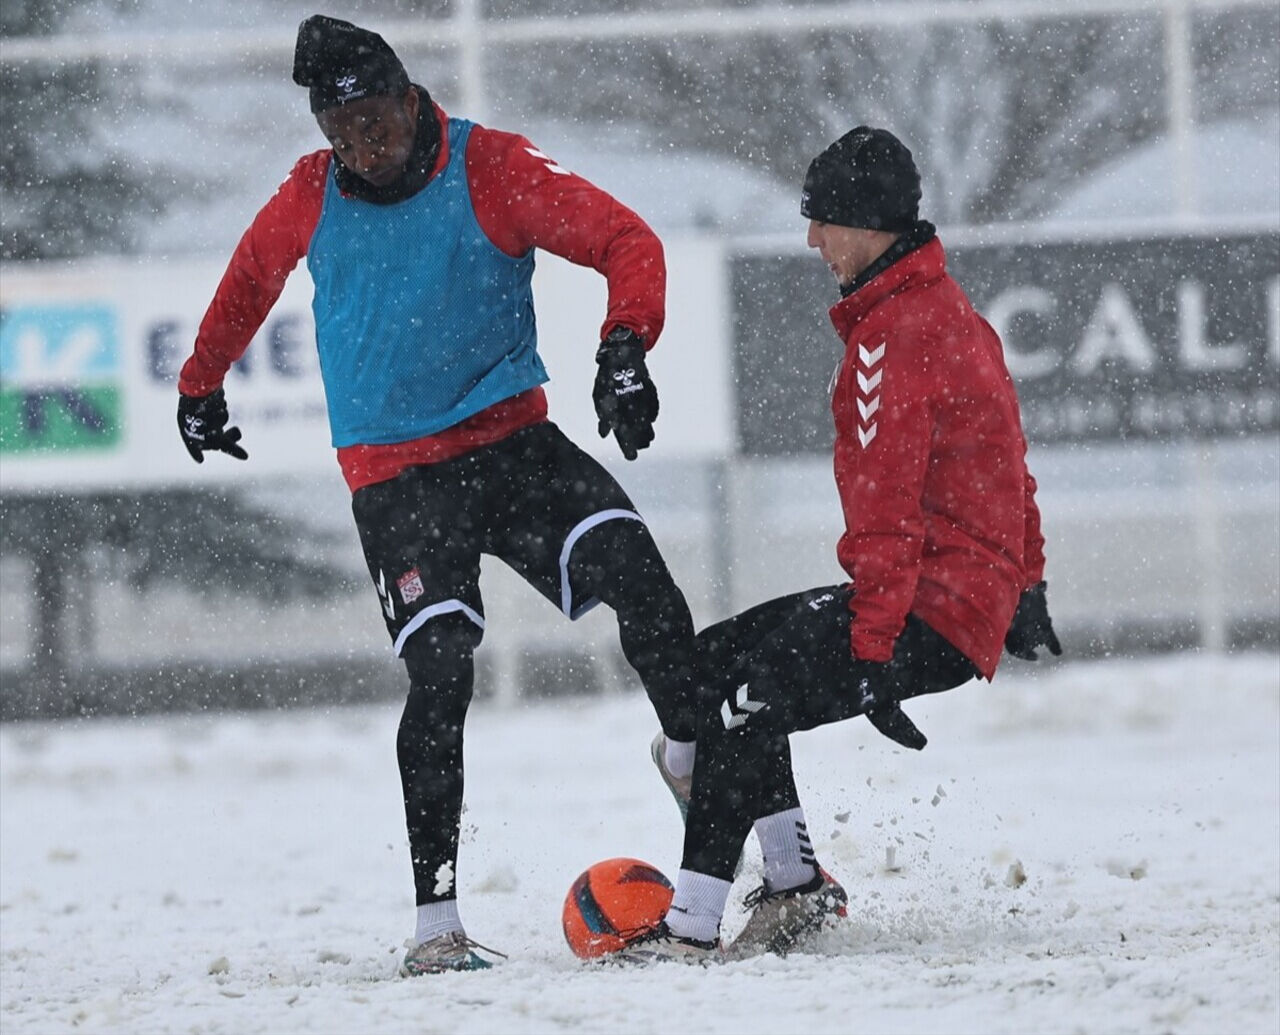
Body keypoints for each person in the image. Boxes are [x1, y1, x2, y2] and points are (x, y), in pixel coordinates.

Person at [175, 14, 702, 975]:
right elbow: (250, 279)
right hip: (395, 477)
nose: (361, 149)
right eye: (340, 134)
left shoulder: (490, 167)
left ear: (410, 98)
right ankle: (436, 928)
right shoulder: (309, 193)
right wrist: (199, 384)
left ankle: (693, 765)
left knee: (649, 588)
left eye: (373, 123)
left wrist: (625, 343)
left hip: (512, 445)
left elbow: (626, 238)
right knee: (442, 670)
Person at [632, 126, 1060, 963]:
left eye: (822, 220)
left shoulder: (891, 338)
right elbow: (1010, 463)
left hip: (922, 608)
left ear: (867, 225)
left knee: (740, 708)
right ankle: (793, 880)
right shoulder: (956, 314)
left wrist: (872, 650)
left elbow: (884, 509)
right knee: (709, 664)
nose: (811, 239)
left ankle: (689, 931)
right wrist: (1028, 583)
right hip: (945, 597)